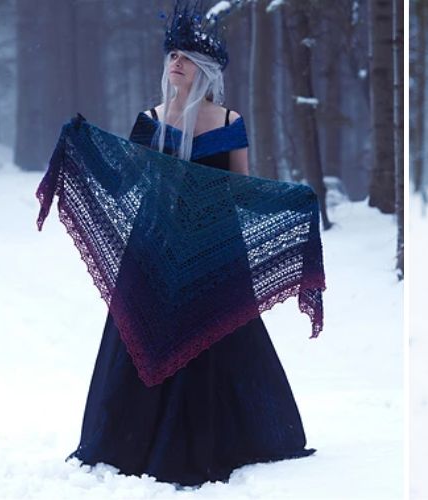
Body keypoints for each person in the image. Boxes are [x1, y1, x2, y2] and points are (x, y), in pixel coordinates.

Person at [65, 3, 315, 487]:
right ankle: (129, 438)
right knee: (142, 340)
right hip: (154, 249)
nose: (175, 61)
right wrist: (84, 145)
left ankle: (226, 438)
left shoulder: (228, 119)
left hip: (217, 249)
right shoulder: (149, 118)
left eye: (186, 55)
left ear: (205, 67)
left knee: (218, 344)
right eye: (171, 54)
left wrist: (292, 201)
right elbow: (122, 184)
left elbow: (243, 188)